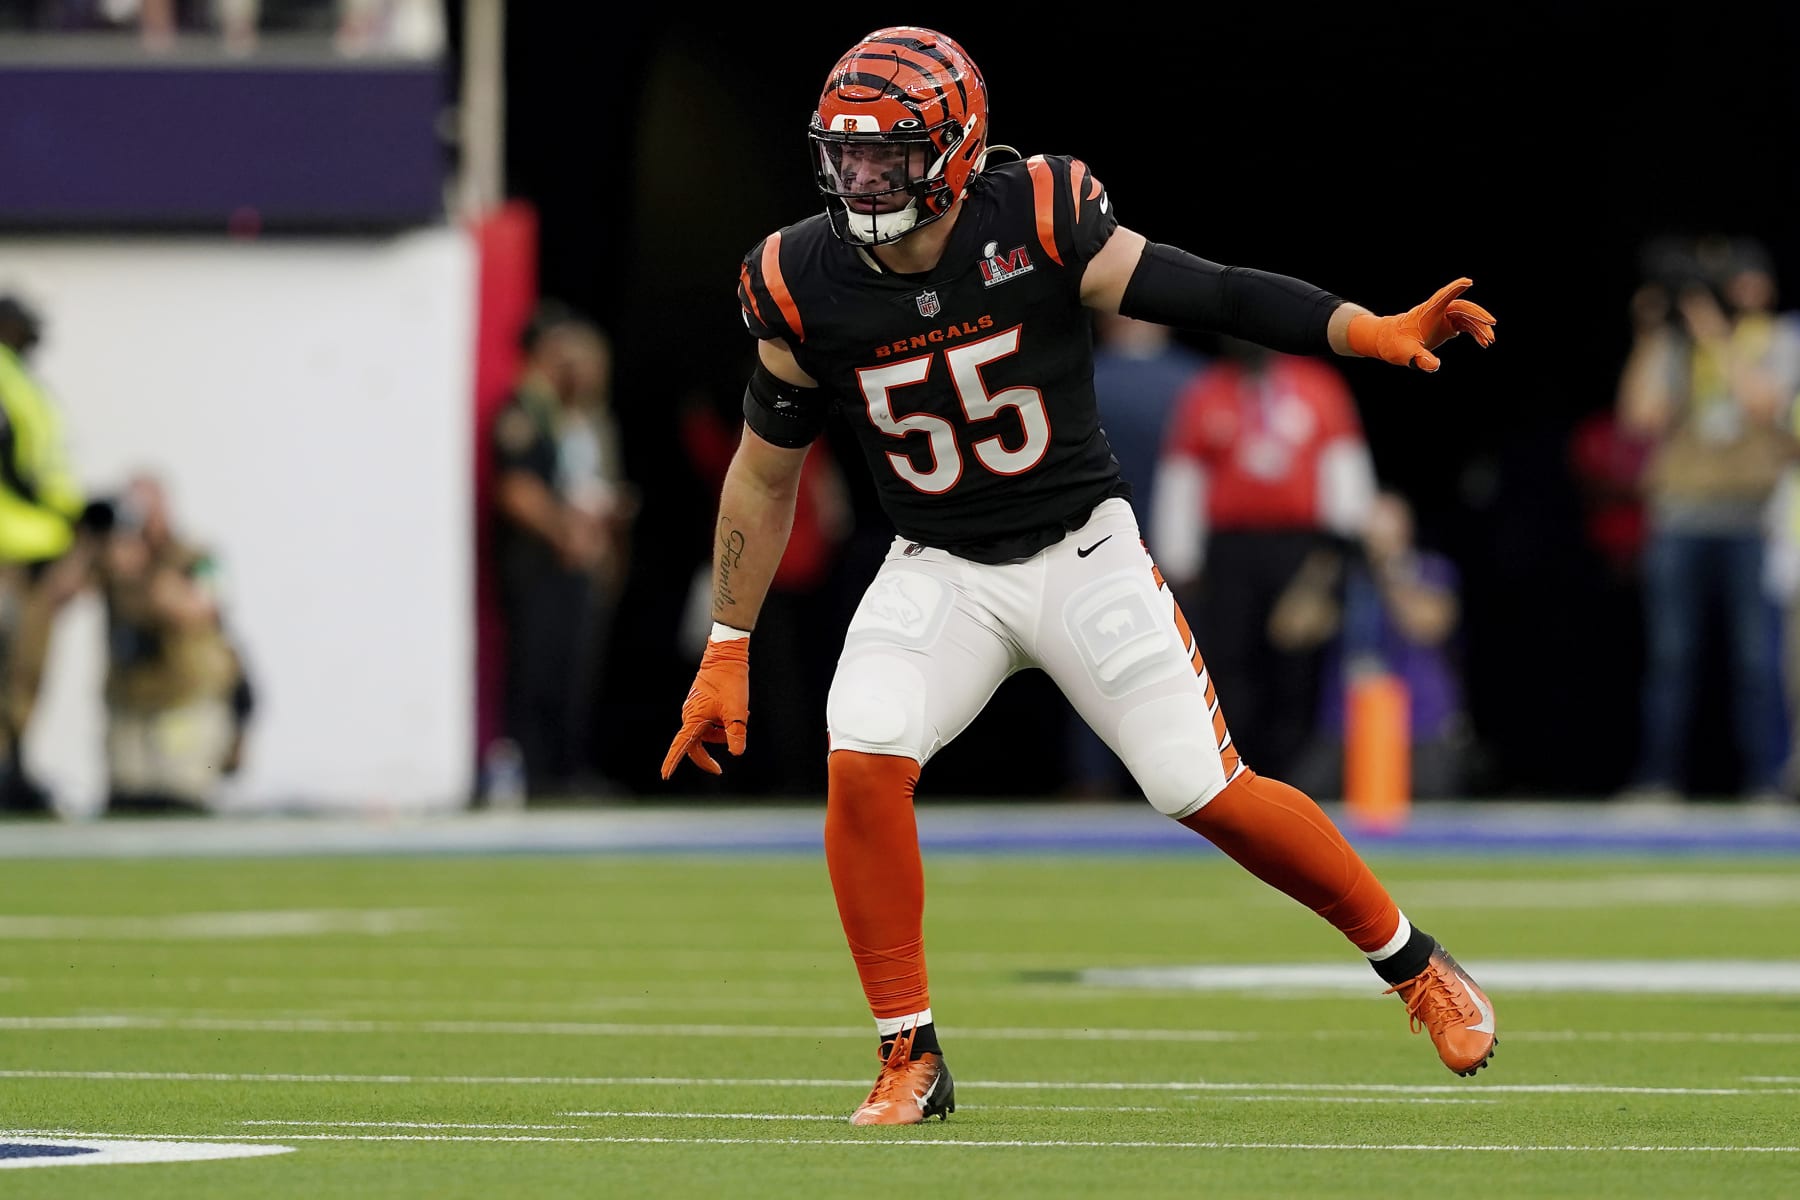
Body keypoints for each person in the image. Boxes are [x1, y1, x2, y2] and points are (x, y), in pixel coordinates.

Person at [660, 26, 1499, 1126]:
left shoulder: (1038, 214)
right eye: (845, 155)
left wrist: (1359, 330)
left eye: (887, 156)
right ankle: (909, 1051)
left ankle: (1415, 962)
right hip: (940, 567)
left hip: (1080, 551)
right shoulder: (795, 278)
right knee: (862, 750)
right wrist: (727, 645)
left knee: (1200, 787)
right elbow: (764, 476)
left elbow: (1214, 292)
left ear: (955, 153)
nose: (860, 180)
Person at [1616, 237, 1799, 805]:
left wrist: (1716, 334)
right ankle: (1658, 778)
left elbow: (1764, 404)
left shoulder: (1778, 339)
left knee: (1755, 658)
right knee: (1671, 655)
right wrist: (1651, 335)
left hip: (1750, 516)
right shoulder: (1681, 345)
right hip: (1681, 514)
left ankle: (1764, 781)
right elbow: (1637, 418)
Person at [1152, 334, 1377, 781]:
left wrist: (1343, 543)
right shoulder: (1206, 391)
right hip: (1231, 550)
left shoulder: (1318, 386)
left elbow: (1344, 463)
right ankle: (1237, 772)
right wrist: (1179, 557)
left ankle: (1294, 774)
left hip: (1301, 550)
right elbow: (1183, 475)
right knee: (1231, 661)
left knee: (1298, 663)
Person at [489, 302, 635, 802]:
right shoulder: (523, 412)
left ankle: (565, 769)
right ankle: (536, 773)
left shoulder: (567, 414)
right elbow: (517, 488)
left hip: (573, 561)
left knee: (571, 669)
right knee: (538, 666)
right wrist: (563, 531)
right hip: (540, 564)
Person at [1063, 313, 1207, 796]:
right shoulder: (1198, 382)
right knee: (1182, 668)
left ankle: (1095, 783)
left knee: (1093, 666)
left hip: (1090, 546)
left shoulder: (1075, 379)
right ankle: (1189, 781)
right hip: (1180, 552)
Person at [1275, 490, 1472, 800]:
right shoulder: (1348, 579)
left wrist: (1390, 568)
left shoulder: (1429, 570)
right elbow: (1289, 630)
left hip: (1418, 725)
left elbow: (1429, 625)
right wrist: (1319, 571)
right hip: (1347, 724)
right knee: (1305, 796)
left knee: (1431, 798)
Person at [92, 472, 253, 814]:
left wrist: (144, 575)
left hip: (185, 699)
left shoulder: (196, 555)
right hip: (131, 701)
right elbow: (59, 591)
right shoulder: (111, 558)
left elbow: (206, 605)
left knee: (179, 802)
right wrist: (91, 546)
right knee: (126, 802)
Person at [0, 293, 90, 814]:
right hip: (11, 552)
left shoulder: (24, 382)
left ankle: (13, 769)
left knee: (24, 672)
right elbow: (19, 468)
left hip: (38, 549)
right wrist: (60, 514)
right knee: (11, 668)